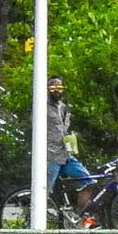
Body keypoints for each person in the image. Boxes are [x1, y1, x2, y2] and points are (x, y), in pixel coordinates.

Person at [45, 77, 93, 220]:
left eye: (59, 87)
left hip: (65, 154)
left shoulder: (64, 107)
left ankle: (76, 218)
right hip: (50, 155)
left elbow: (63, 129)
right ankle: (43, 218)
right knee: (43, 191)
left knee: (88, 181)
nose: (56, 90)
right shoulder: (41, 106)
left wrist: (71, 137)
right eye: (53, 87)